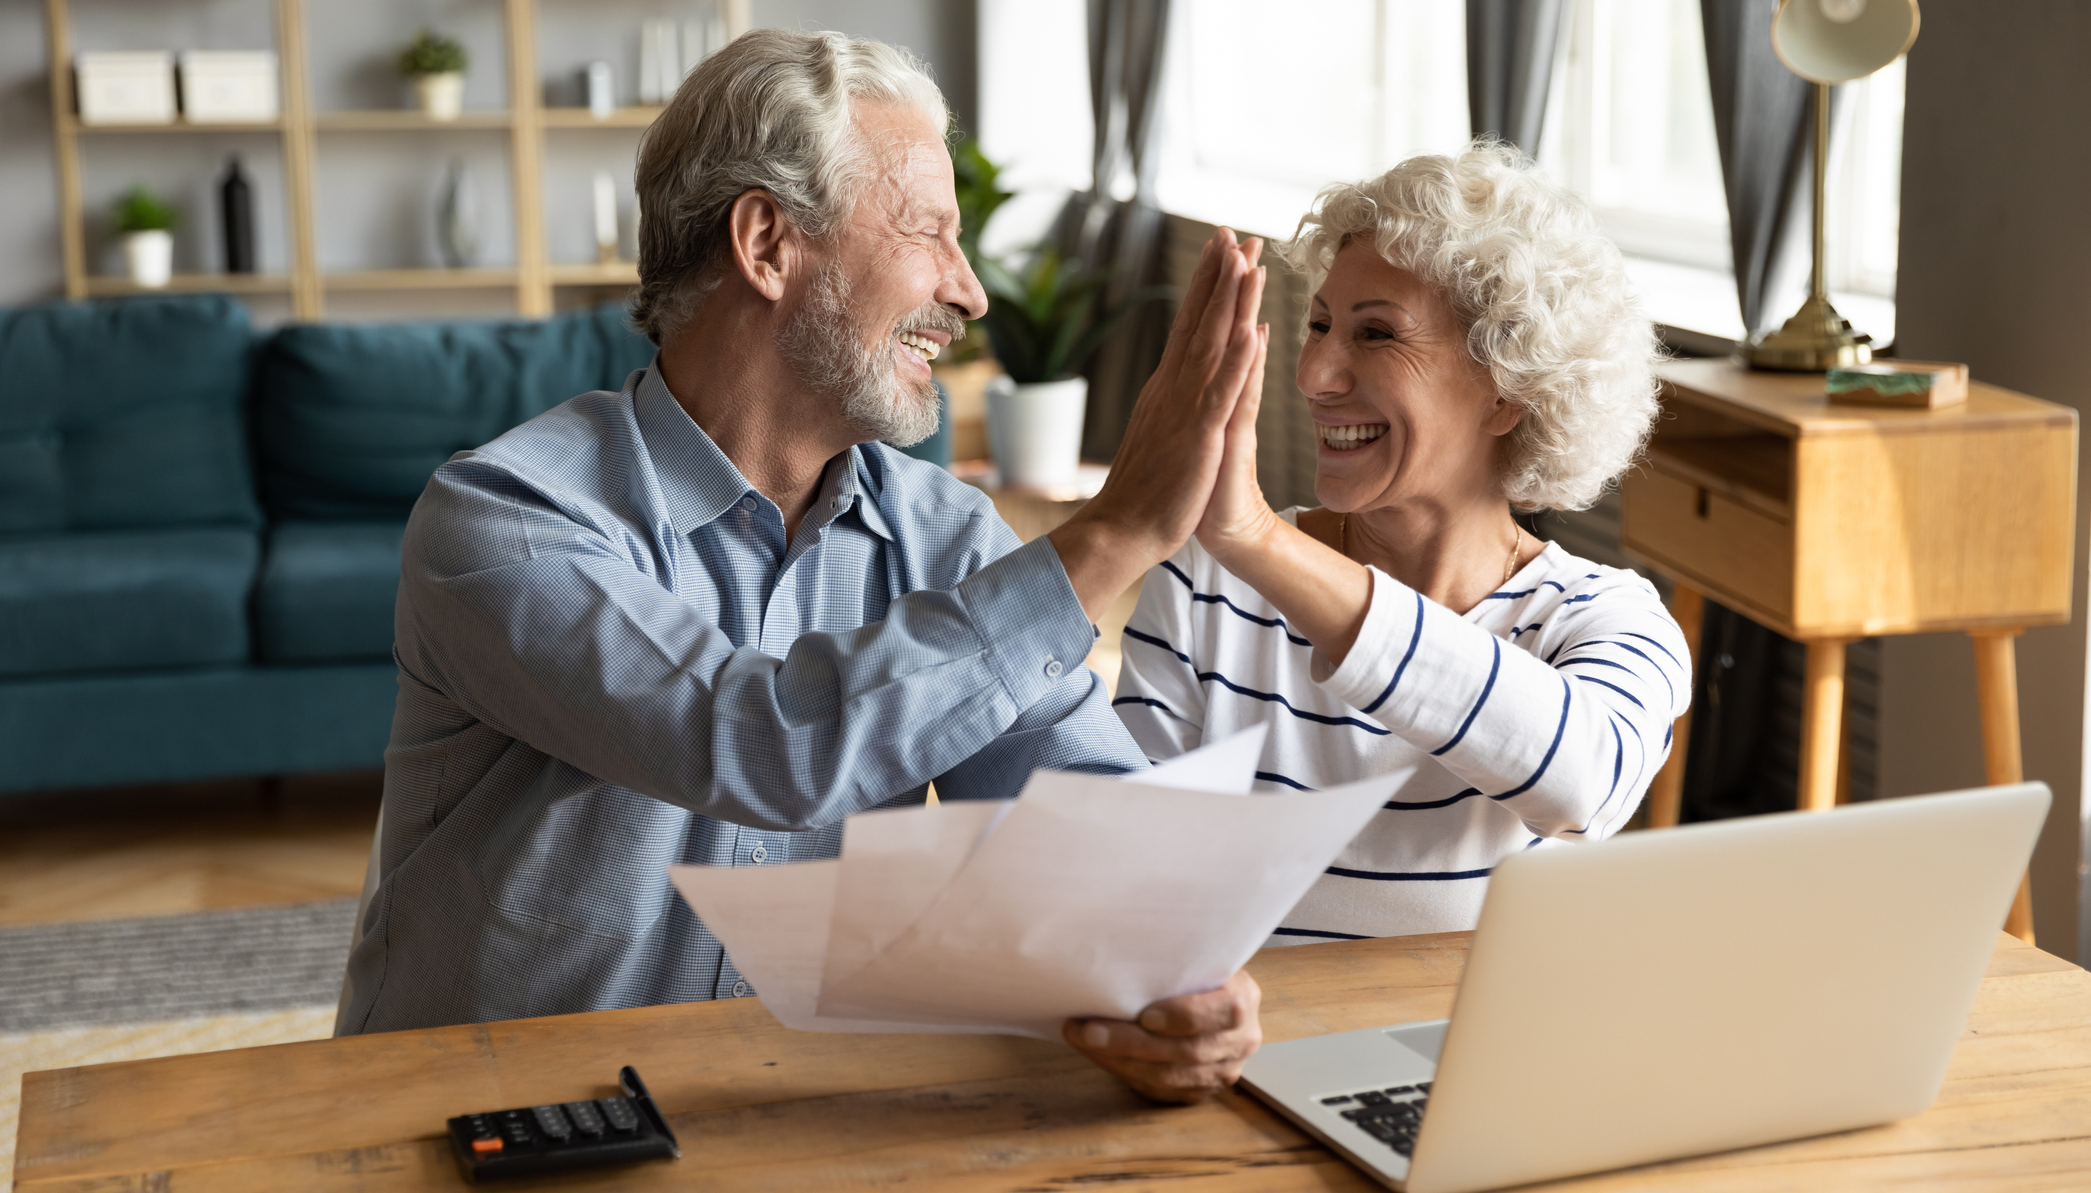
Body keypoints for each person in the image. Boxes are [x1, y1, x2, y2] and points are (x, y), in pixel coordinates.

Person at [338, 29, 1268, 1104]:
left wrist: (1171, 969)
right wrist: (1112, 535)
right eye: (930, 232)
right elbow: (759, 742)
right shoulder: (505, 519)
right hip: (478, 1125)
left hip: (777, 1115)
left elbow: (1080, 820)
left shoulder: (946, 538)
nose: (968, 294)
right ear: (768, 243)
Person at [1115, 143, 1690, 943]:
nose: (1314, 372)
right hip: (1245, 1048)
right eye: (1317, 325)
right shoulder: (1209, 580)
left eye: (1376, 334)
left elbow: (1582, 782)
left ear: (1507, 392)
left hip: (1479, 1057)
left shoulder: (1604, 619)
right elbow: (1125, 875)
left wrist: (1257, 540)